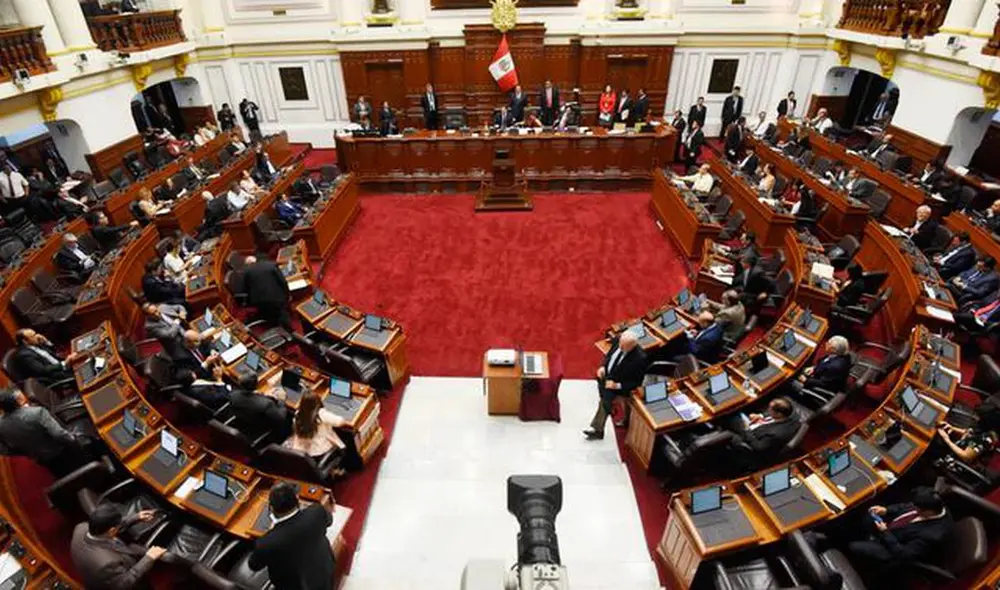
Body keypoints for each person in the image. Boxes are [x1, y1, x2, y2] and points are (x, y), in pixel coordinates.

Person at [847, 487, 953, 585]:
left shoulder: (931, 536)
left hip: (893, 549)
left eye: (917, 508)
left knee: (853, 547)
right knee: (867, 513)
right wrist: (886, 510)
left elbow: (903, 554)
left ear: (928, 511)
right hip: (893, 529)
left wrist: (885, 532)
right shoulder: (935, 505)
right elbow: (904, 507)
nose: (914, 508)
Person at [248, 482, 336, 590]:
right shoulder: (317, 511)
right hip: (326, 573)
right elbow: (329, 521)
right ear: (297, 499)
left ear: (271, 508)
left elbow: (254, 566)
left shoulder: (265, 543)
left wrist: (273, 531)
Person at [71, 504, 167, 590]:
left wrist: (136, 517)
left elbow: (106, 528)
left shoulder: (81, 527)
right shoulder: (106, 564)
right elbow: (123, 584)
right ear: (111, 531)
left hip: (103, 562)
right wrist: (149, 558)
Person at [0, 388, 91, 476]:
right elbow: (59, 435)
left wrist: (26, 453)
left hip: (44, 460)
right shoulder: (37, 412)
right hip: (64, 450)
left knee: (67, 475)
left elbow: (3, 450)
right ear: (16, 401)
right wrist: (74, 439)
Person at [584, 331, 648, 440]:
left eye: (624, 347)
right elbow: (609, 355)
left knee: (604, 401)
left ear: (633, 346)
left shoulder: (640, 358)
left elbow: (636, 382)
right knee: (603, 395)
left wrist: (617, 385)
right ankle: (610, 408)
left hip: (619, 385)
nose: (620, 348)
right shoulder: (619, 340)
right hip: (606, 377)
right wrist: (603, 366)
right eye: (620, 344)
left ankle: (598, 430)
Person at [284, 393, 348, 468]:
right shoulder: (320, 414)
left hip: (304, 451)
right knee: (346, 437)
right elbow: (340, 422)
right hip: (320, 450)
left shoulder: (297, 414)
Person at [728, 397, 801, 454]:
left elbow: (758, 447)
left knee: (730, 415)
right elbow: (775, 412)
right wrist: (760, 415)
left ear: (779, 414)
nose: (768, 410)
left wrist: (747, 429)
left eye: (770, 409)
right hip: (759, 424)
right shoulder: (792, 414)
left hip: (751, 434)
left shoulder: (776, 434)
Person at [230, 375, 291, 439]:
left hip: (243, 423)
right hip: (260, 429)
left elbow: (250, 399)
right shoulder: (267, 404)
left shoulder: (233, 394)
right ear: (256, 385)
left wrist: (261, 395)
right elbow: (281, 417)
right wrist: (281, 400)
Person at [12, 329, 80, 385]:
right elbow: (42, 370)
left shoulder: (34, 344)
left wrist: (46, 342)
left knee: (81, 361)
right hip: (54, 376)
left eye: (35, 334)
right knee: (81, 375)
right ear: (25, 341)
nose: (37, 336)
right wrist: (64, 363)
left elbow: (53, 353)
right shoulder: (24, 356)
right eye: (33, 336)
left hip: (60, 366)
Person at [242, 254, 291, 328]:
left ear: (248, 264)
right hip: (277, 298)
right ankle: (288, 330)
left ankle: (273, 326)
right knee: (281, 314)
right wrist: (287, 294)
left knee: (269, 316)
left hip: (259, 301)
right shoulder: (270, 265)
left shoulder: (247, 272)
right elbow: (283, 282)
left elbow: (246, 289)